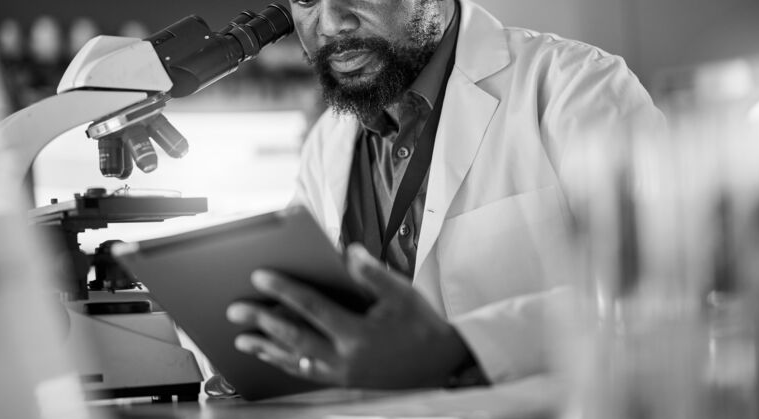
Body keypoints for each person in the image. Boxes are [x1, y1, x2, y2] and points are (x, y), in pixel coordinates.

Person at [226, 0, 662, 389]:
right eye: (305, 1)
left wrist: (463, 348)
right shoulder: (327, 142)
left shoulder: (577, 86)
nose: (331, 22)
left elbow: (664, 286)